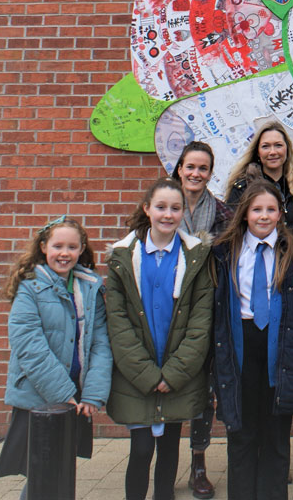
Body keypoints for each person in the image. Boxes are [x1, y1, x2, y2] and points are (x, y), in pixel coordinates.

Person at [212, 179, 293, 500]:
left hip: (282, 351)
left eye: (270, 209)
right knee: (243, 436)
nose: (263, 216)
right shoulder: (224, 251)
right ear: (245, 213)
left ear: (280, 213)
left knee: (276, 438)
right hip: (241, 349)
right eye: (256, 209)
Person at [106, 178, 214, 500]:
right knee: (141, 450)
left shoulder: (196, 258)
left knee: (169, 452)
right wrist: (147, 375)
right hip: (137, 376)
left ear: (183, 213)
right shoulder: (122, 258)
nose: (168, 214)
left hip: (177, 375)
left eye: (176, 208)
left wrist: (173, 374)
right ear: (147, 209)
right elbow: (118, 322)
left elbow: (200, 322)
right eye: (161, 207)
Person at [0, 217, 112, 496]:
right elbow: (29, 346)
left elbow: (100, 344)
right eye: (58, 245)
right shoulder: (30, 287)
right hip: (39, 396)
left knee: (61, 468)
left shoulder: (90, 287)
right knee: (39, 471)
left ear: (81, 249)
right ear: (44, 246)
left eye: (72, 247)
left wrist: (93, 395)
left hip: (75, 398)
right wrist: (62, 394)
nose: (64, 253)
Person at [171, 140, 233, 498]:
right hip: (167, 309)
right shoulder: (161, 204)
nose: (195, 174)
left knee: (203, 388)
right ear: (179, 168)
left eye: (203, 168)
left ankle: (198, 462)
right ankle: (162, 459)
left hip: (205, 309)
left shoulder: (222, 213)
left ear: (211, 173)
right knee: (166, 382)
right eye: (190, 167)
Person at [226, 120, 293, 253]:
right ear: (257, 151)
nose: (272, 152)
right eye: (266, 146)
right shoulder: (242, 188)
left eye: (278, 145)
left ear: (287, 149)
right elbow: (231, 234)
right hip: (255, 265)